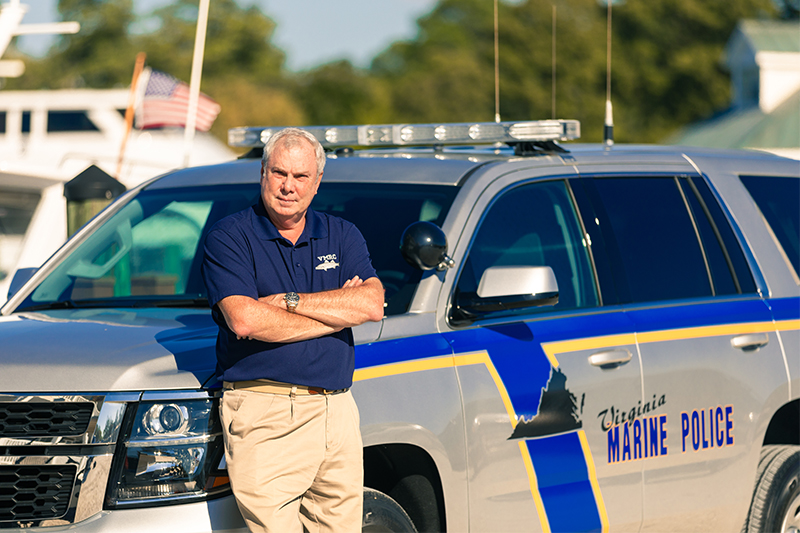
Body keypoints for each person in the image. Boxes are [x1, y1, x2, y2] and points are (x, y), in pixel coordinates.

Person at [201, 127, 384, 533]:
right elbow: (245, 320)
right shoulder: (230, 237)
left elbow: (371, 304)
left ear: (317, 183)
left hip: (337, 410)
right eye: (279, 173)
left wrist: (287, 301)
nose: (288, 187)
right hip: (265, 412)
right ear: (263, 173)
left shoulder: (341, 234)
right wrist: (338, 309)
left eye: (300, 177)